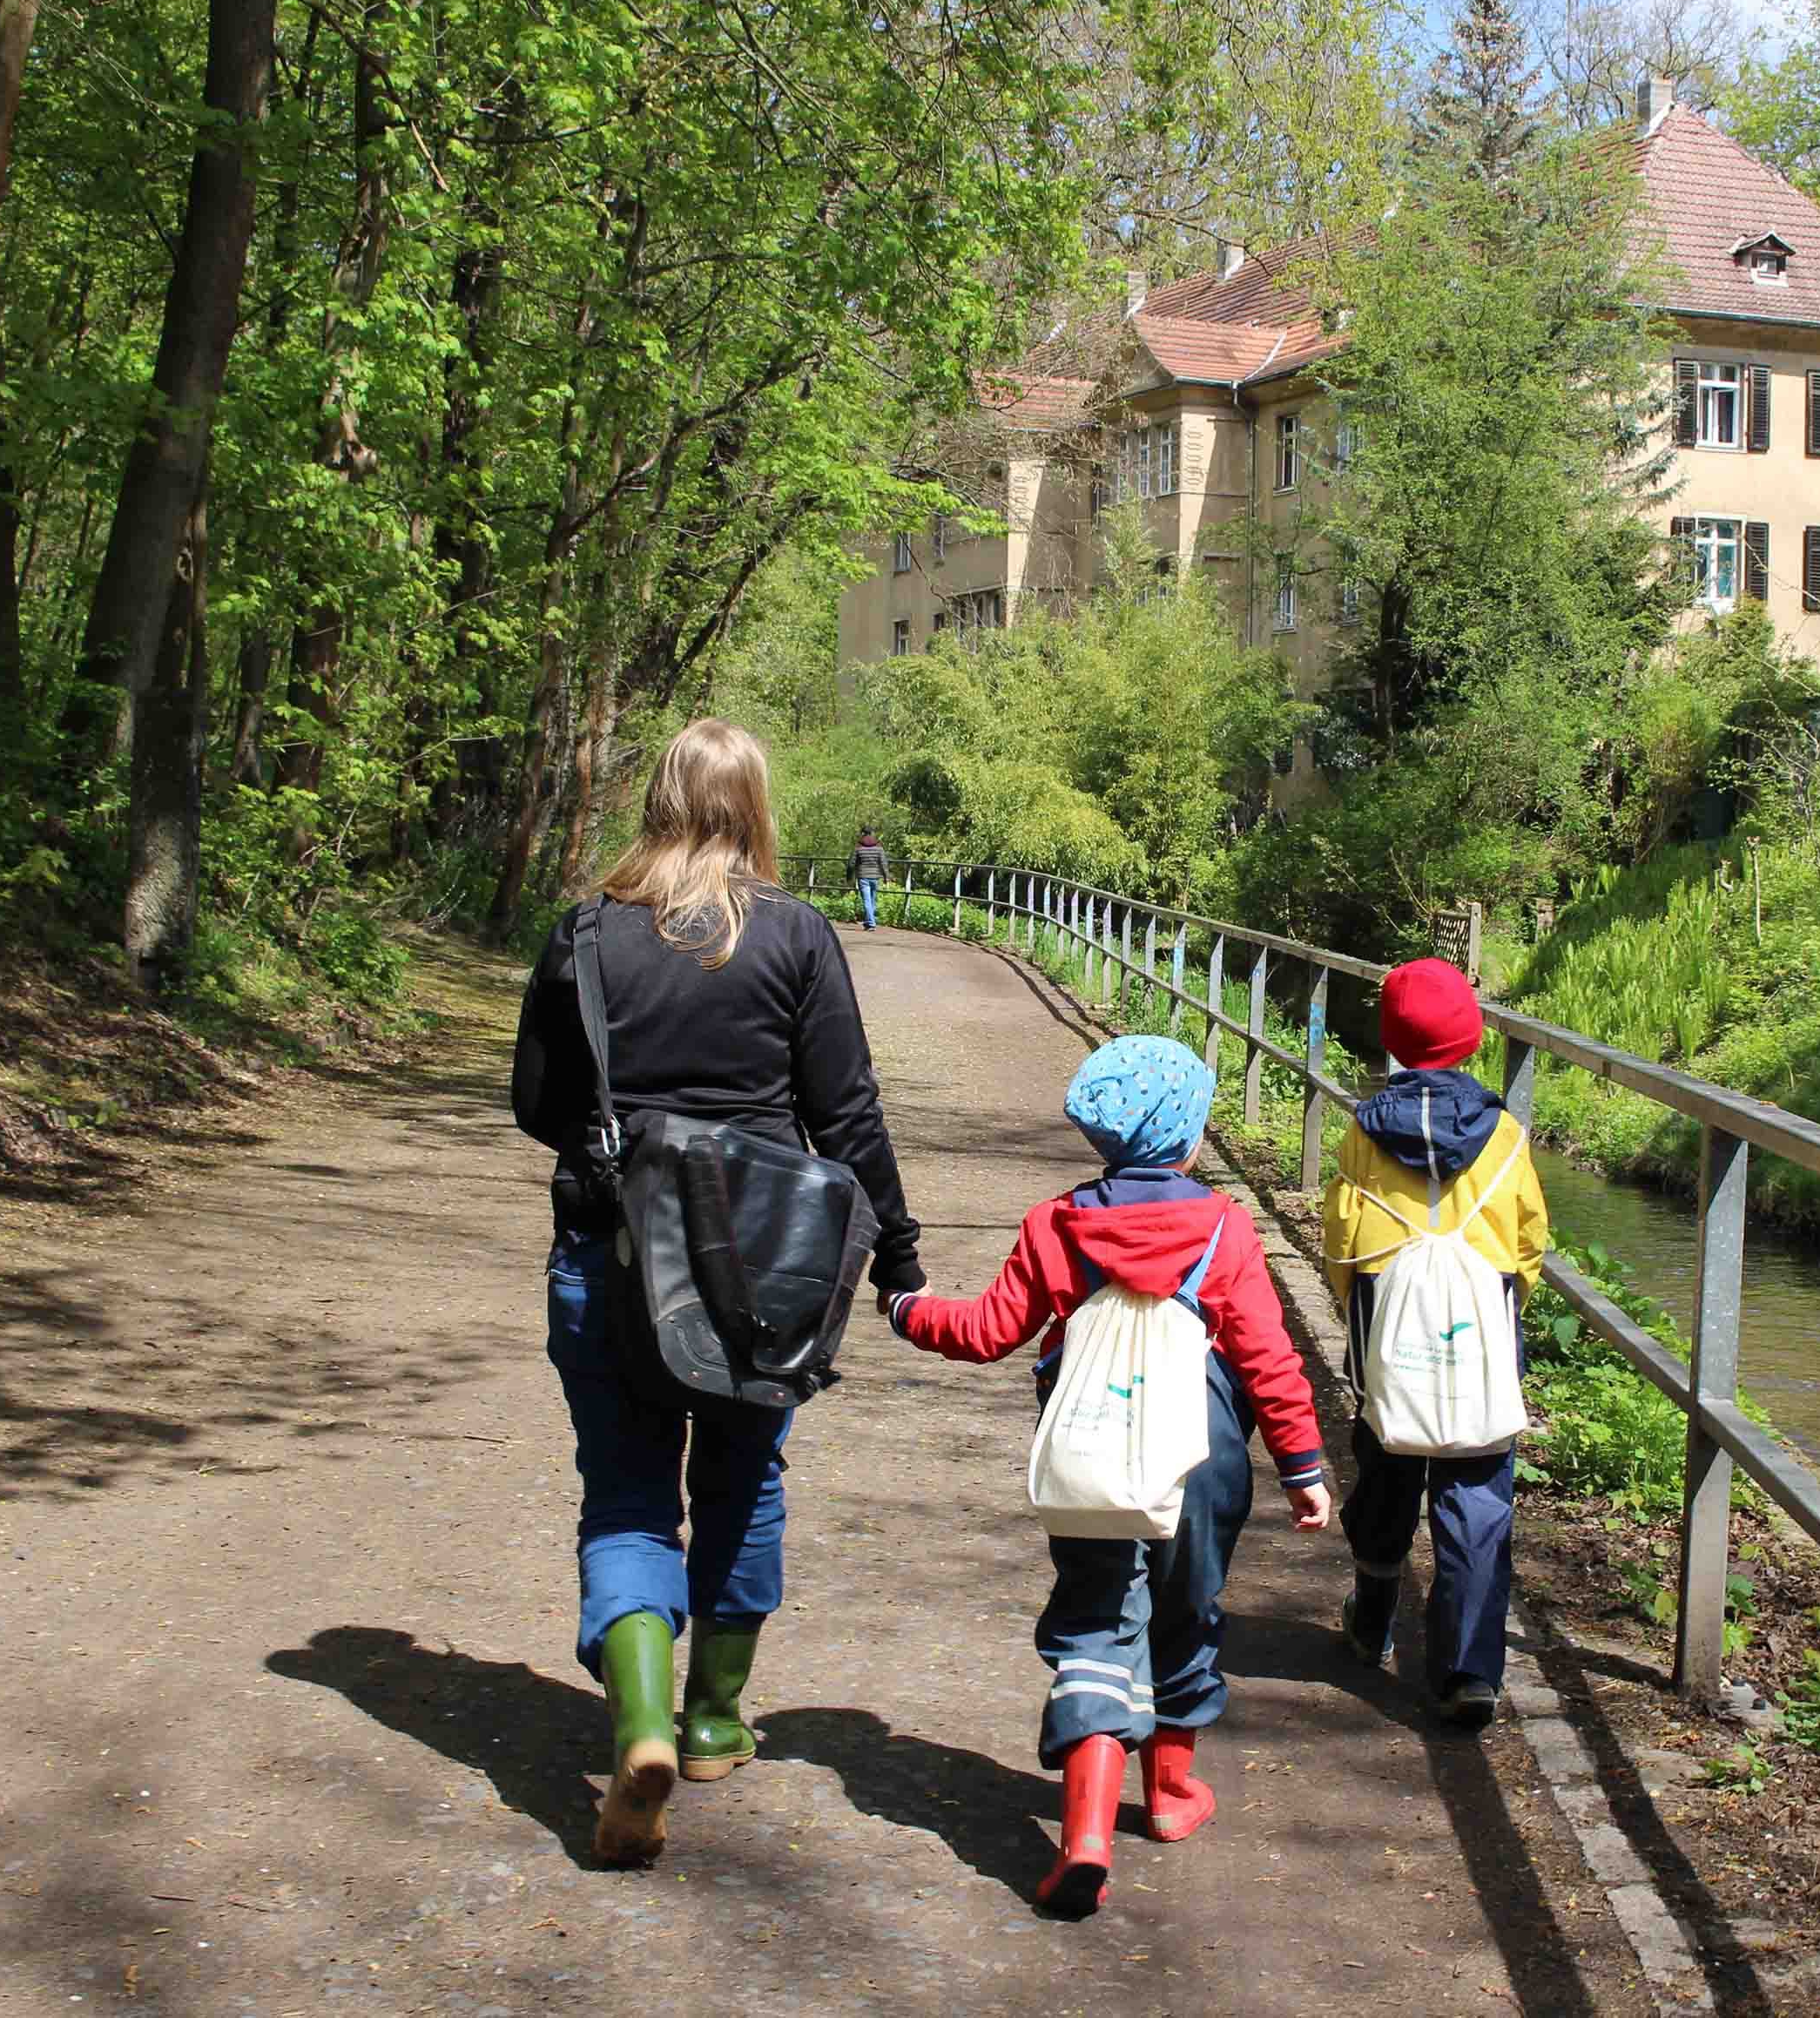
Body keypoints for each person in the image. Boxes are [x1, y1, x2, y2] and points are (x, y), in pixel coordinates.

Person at [509, 719, 925, 1869]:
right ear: (753, 808)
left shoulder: (586, 932)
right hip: (758, 1271)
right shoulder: (794, 936)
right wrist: (898, 1259)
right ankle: (707, 1720)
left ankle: (634, 1722)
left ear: (656, 801)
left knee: (629, 1496)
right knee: (746, 1481)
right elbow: (846, 1114)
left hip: (607, 1254)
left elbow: (538, 1103)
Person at [886, 1036, 1331, 1920]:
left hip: (1090, 1452)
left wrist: (906, 1308)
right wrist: (1302, 1465)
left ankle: (1083, 1832)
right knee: (1186, 1610)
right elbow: (1268, 1358)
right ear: (1189, 1137)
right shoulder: (1223, 1227)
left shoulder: (1057, 1223)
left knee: (1094, 1620)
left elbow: (984, 1329)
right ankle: (1167, 1797)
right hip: (1197, 1457)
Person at [1318, 959, 1550, 1729]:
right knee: (1478, 1489)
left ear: (1390, 1040)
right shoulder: (1505, 1134)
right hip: (1476, 1329)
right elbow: (1528, 1242)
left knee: (1386, 1469)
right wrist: (1502, 1309)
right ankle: (1468, 1671)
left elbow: (1343, 1240)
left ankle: (1373, 1619)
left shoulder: (1362, 1131)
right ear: (1472, 1037)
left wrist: (1365, 1313)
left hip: (1390, 1320)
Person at [849, 827, 888, 929]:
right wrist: (886, 877)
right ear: (872, 833)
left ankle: (871, 923)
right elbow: (884, 863)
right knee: (872, 900)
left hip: (863, 877)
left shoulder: (858, 847)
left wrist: (849, 876)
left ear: (863, 834)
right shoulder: (879, 847)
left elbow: (851, 863)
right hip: (875, 877)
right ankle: (869, 921)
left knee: (867, 900)